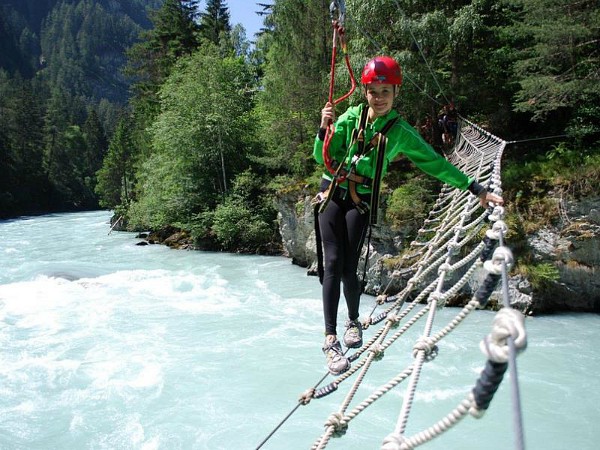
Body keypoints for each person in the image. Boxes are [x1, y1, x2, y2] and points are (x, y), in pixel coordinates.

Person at [313, 56, 503, 375]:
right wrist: (324, 127)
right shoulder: (350, 118)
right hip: (332, 192)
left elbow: (433, 162)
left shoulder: (400, 132)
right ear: (366, 92)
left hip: (359, 200)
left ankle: (353, 321)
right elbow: (322, 157)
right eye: (373, 91)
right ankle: (330, 339)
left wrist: (475, 188)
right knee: (332, 262)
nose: (379, 97)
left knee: (349, 266)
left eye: (385, 90)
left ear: (395, 92)